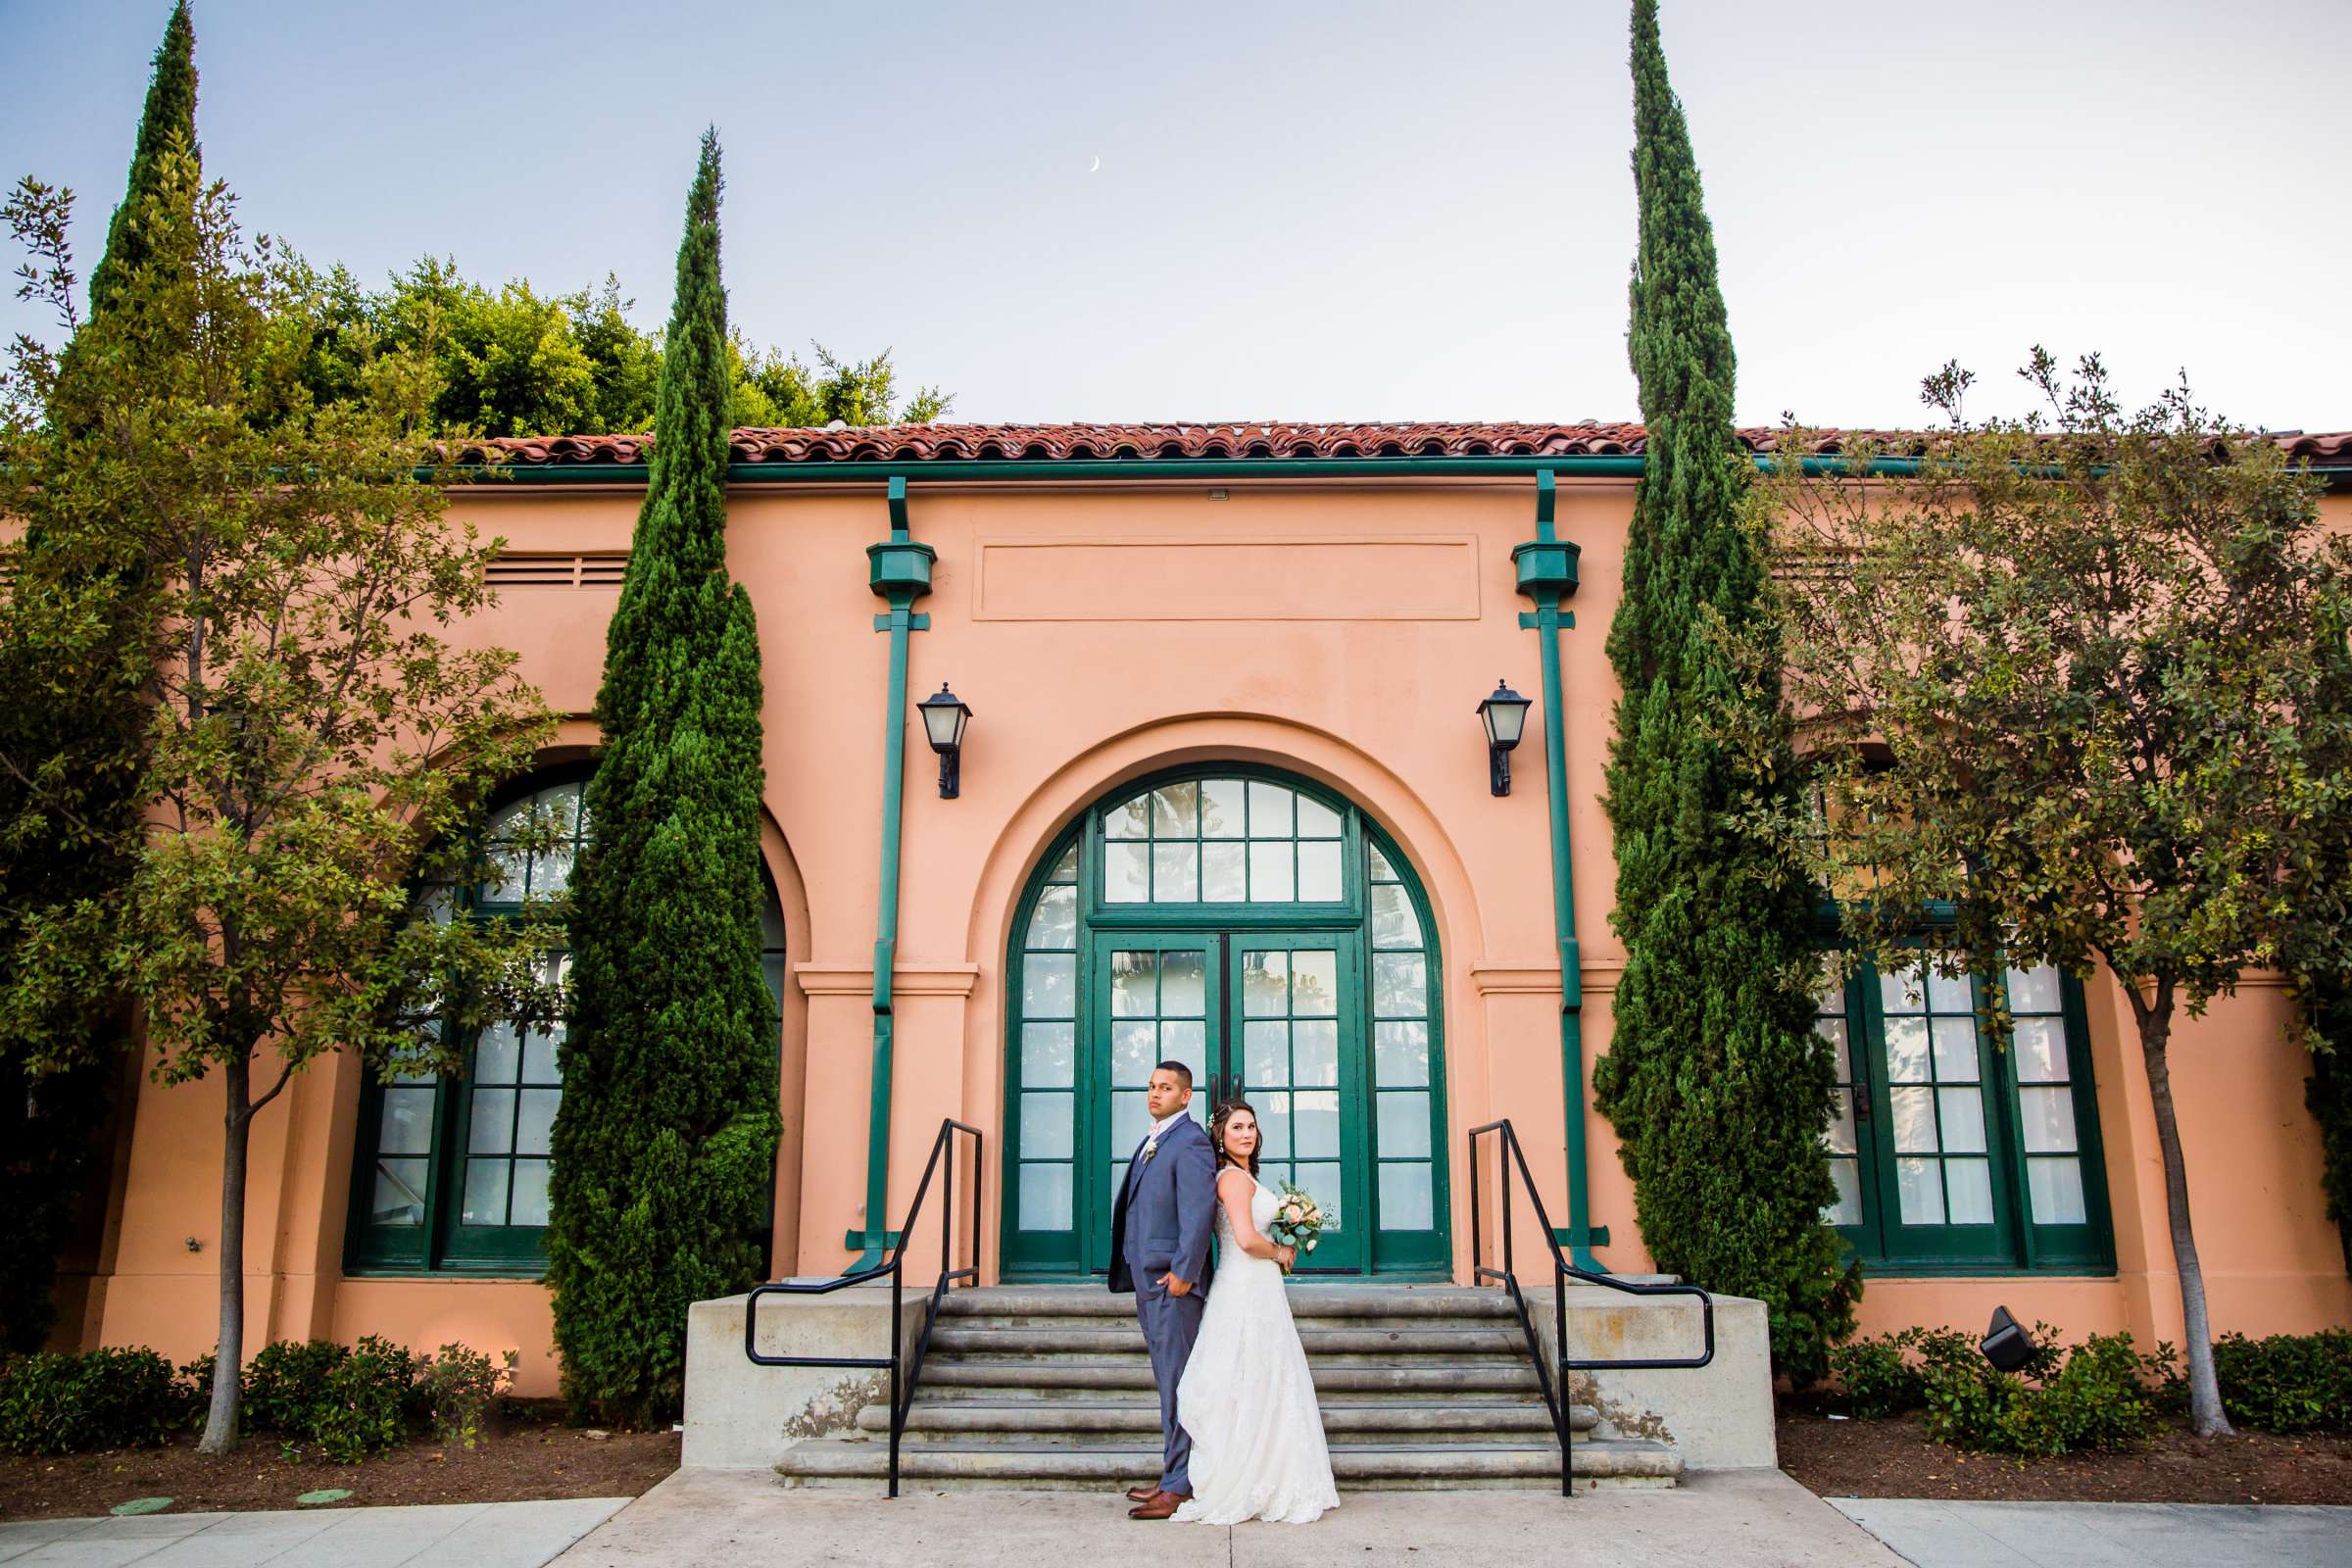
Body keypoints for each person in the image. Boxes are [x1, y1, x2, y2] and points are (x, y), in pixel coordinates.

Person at [1169, 1100, 1340, 1526]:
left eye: (1251, 1127)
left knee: (1263, 1377)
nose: (1246, 1134)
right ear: (1221, 1138)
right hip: (1245, 1284)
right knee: (1248, 1375)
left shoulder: (1245, 1176)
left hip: (1259, 1287)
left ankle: (1270, 1470)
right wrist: (1281, 1249)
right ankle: (1246, 1474)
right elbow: (1245, 1239)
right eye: (1237, 1128)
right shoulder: (1232, 1179)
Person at [1107, 1060, 1217, 1520]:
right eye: (1151, 1086)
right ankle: (1173, 1471)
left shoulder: (1189, 1142)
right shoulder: (1154, 1139)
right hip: (1146, 1279)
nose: (1155, 1093)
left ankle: (1181, 1485)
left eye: (1166, 1087)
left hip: (1171, 1285)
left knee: (1178, 1382)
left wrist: (1183, 1273)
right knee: (1166, 1381)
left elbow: (1198, 1213)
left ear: (1186, 1096)